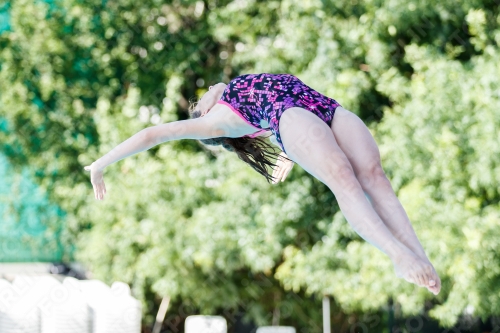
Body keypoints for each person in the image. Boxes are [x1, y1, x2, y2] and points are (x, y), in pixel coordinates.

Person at [84, 73, 441, 295]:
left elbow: (218, 85)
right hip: (291, 115)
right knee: (344, 180)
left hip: (324, 105)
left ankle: (420, 258)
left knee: (375, 178)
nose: (202, 100)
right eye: (199, 105)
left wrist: (216, 88)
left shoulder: (225, 89)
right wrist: (101, 164)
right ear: (203, 116)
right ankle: (398, 257)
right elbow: (154, 134)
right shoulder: (214, 124)